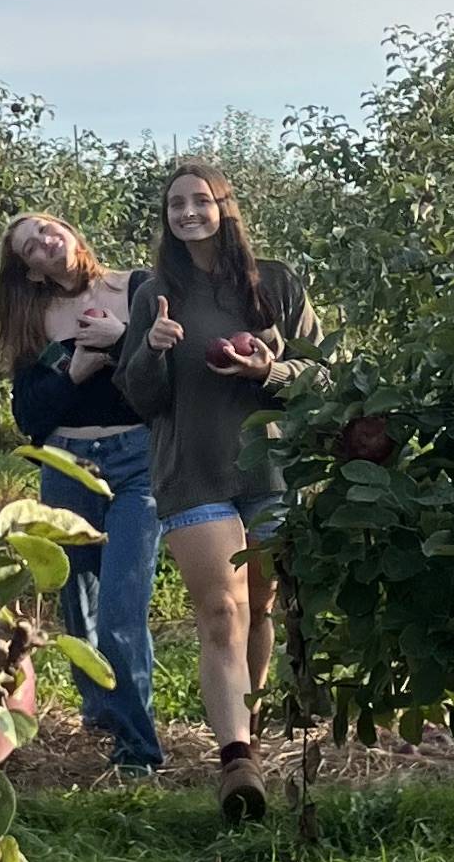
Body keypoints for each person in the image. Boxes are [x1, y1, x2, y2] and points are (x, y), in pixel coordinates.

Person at [114, 161, 315, 824]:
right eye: (177, 203)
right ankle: (235, 760)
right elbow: (140, 398)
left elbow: (322, 373)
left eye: (201, 200)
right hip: (192, 470)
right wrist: (151, 348)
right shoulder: (156, 292)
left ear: (225, 207)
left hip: (268, 468)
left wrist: (271, 366)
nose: (189, 211)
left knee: (260, 609)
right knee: (221, 613)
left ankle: (247, 740)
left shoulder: (275, 285)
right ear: (167, 217)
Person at [0, 211, 165, 776]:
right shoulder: (35, 319)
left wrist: (120, 346)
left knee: (123, 603)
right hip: (66, 463)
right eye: (31, 250)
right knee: (81, 602)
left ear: (69, 231)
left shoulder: (138, 289)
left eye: (46, 231)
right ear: (34, 273)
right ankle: (101, 714)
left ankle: (138, 751)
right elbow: (29, 417)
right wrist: (74, 371)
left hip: (138, 459)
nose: (44, 244)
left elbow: (166, 375)